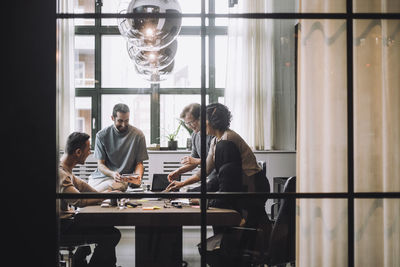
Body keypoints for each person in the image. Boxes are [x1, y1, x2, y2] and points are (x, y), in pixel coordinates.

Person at [167, 103, 269, 228]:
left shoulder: (226, 142)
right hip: (240, 184)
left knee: (228, 219)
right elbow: (206, 171)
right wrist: (185, 190)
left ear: (211, 122)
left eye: (203, 120)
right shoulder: (216, 140)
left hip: (252, 186)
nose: (201, 123)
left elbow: (224, 185)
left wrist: (194, 197)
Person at [59, 132, 121, 267]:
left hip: (67, 222)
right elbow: (79, 201)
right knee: (112, 234)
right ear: (78, 152)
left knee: (108, 229)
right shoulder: (61, 174)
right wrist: (106, 196)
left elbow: (84, 187)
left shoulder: (65, 170)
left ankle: (82, 261)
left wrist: (106, 194)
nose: (90, 152)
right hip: (62, 227)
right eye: (88, 149)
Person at [88, 103, 149, 192]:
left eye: (127, 120)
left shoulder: (138, 135)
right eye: (120, 121)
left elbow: (139, 164)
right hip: (100, 178)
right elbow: (101, 165)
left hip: (120, 180)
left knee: (99, 192)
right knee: (89, 191)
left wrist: (137, 177)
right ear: (112, 118)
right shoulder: (101, 135)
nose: (124, 124)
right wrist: (112, 174)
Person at [167, 103, 218, 192]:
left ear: (201, 118)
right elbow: (193, 161)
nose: (189, 126)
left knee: (191, 194)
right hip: (210, 179)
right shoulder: (195, 135)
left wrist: (196, 161)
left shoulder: (214, 134)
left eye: (190, 122)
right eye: (187, 123)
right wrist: (178, 171)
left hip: (219, 179)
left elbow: (215, 161)